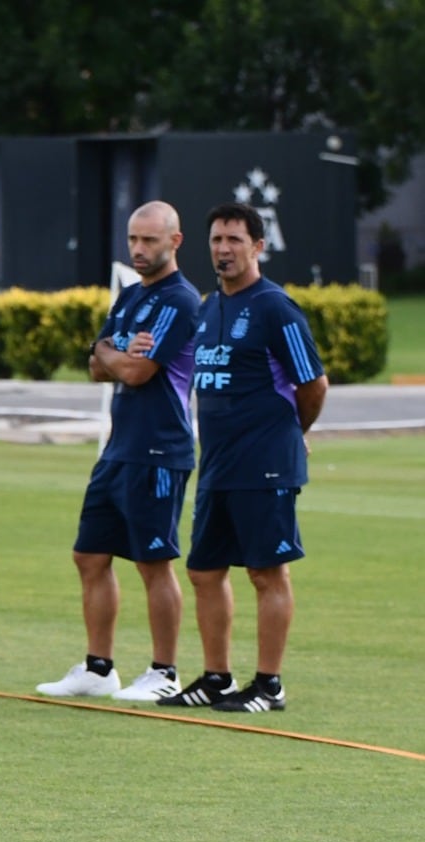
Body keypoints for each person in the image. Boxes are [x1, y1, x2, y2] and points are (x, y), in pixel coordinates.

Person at [159, 201, 327, 713]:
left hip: (266, 463)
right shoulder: (209, 308)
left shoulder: (276, 308)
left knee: (266, 573)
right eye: (216, 239)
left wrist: (291, 430)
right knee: (204, 571)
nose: (223, 249)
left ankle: (270, 685)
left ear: (257, 246)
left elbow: (313, 383)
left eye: (234, 240)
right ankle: (216, 678)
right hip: (218, 466)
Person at [37, 201, 200, 701]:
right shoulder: (130, 297)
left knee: (154, 562)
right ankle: (98, 667)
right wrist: (111, 352)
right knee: (89, 555)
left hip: (160, 449)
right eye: (133, 239)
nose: (139, 249)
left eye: (150, 240)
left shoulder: (181, 300)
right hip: (118, 447)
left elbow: (136, 372)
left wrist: (112, 355)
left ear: (175, 241)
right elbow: (96, 365)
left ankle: (164, 673)